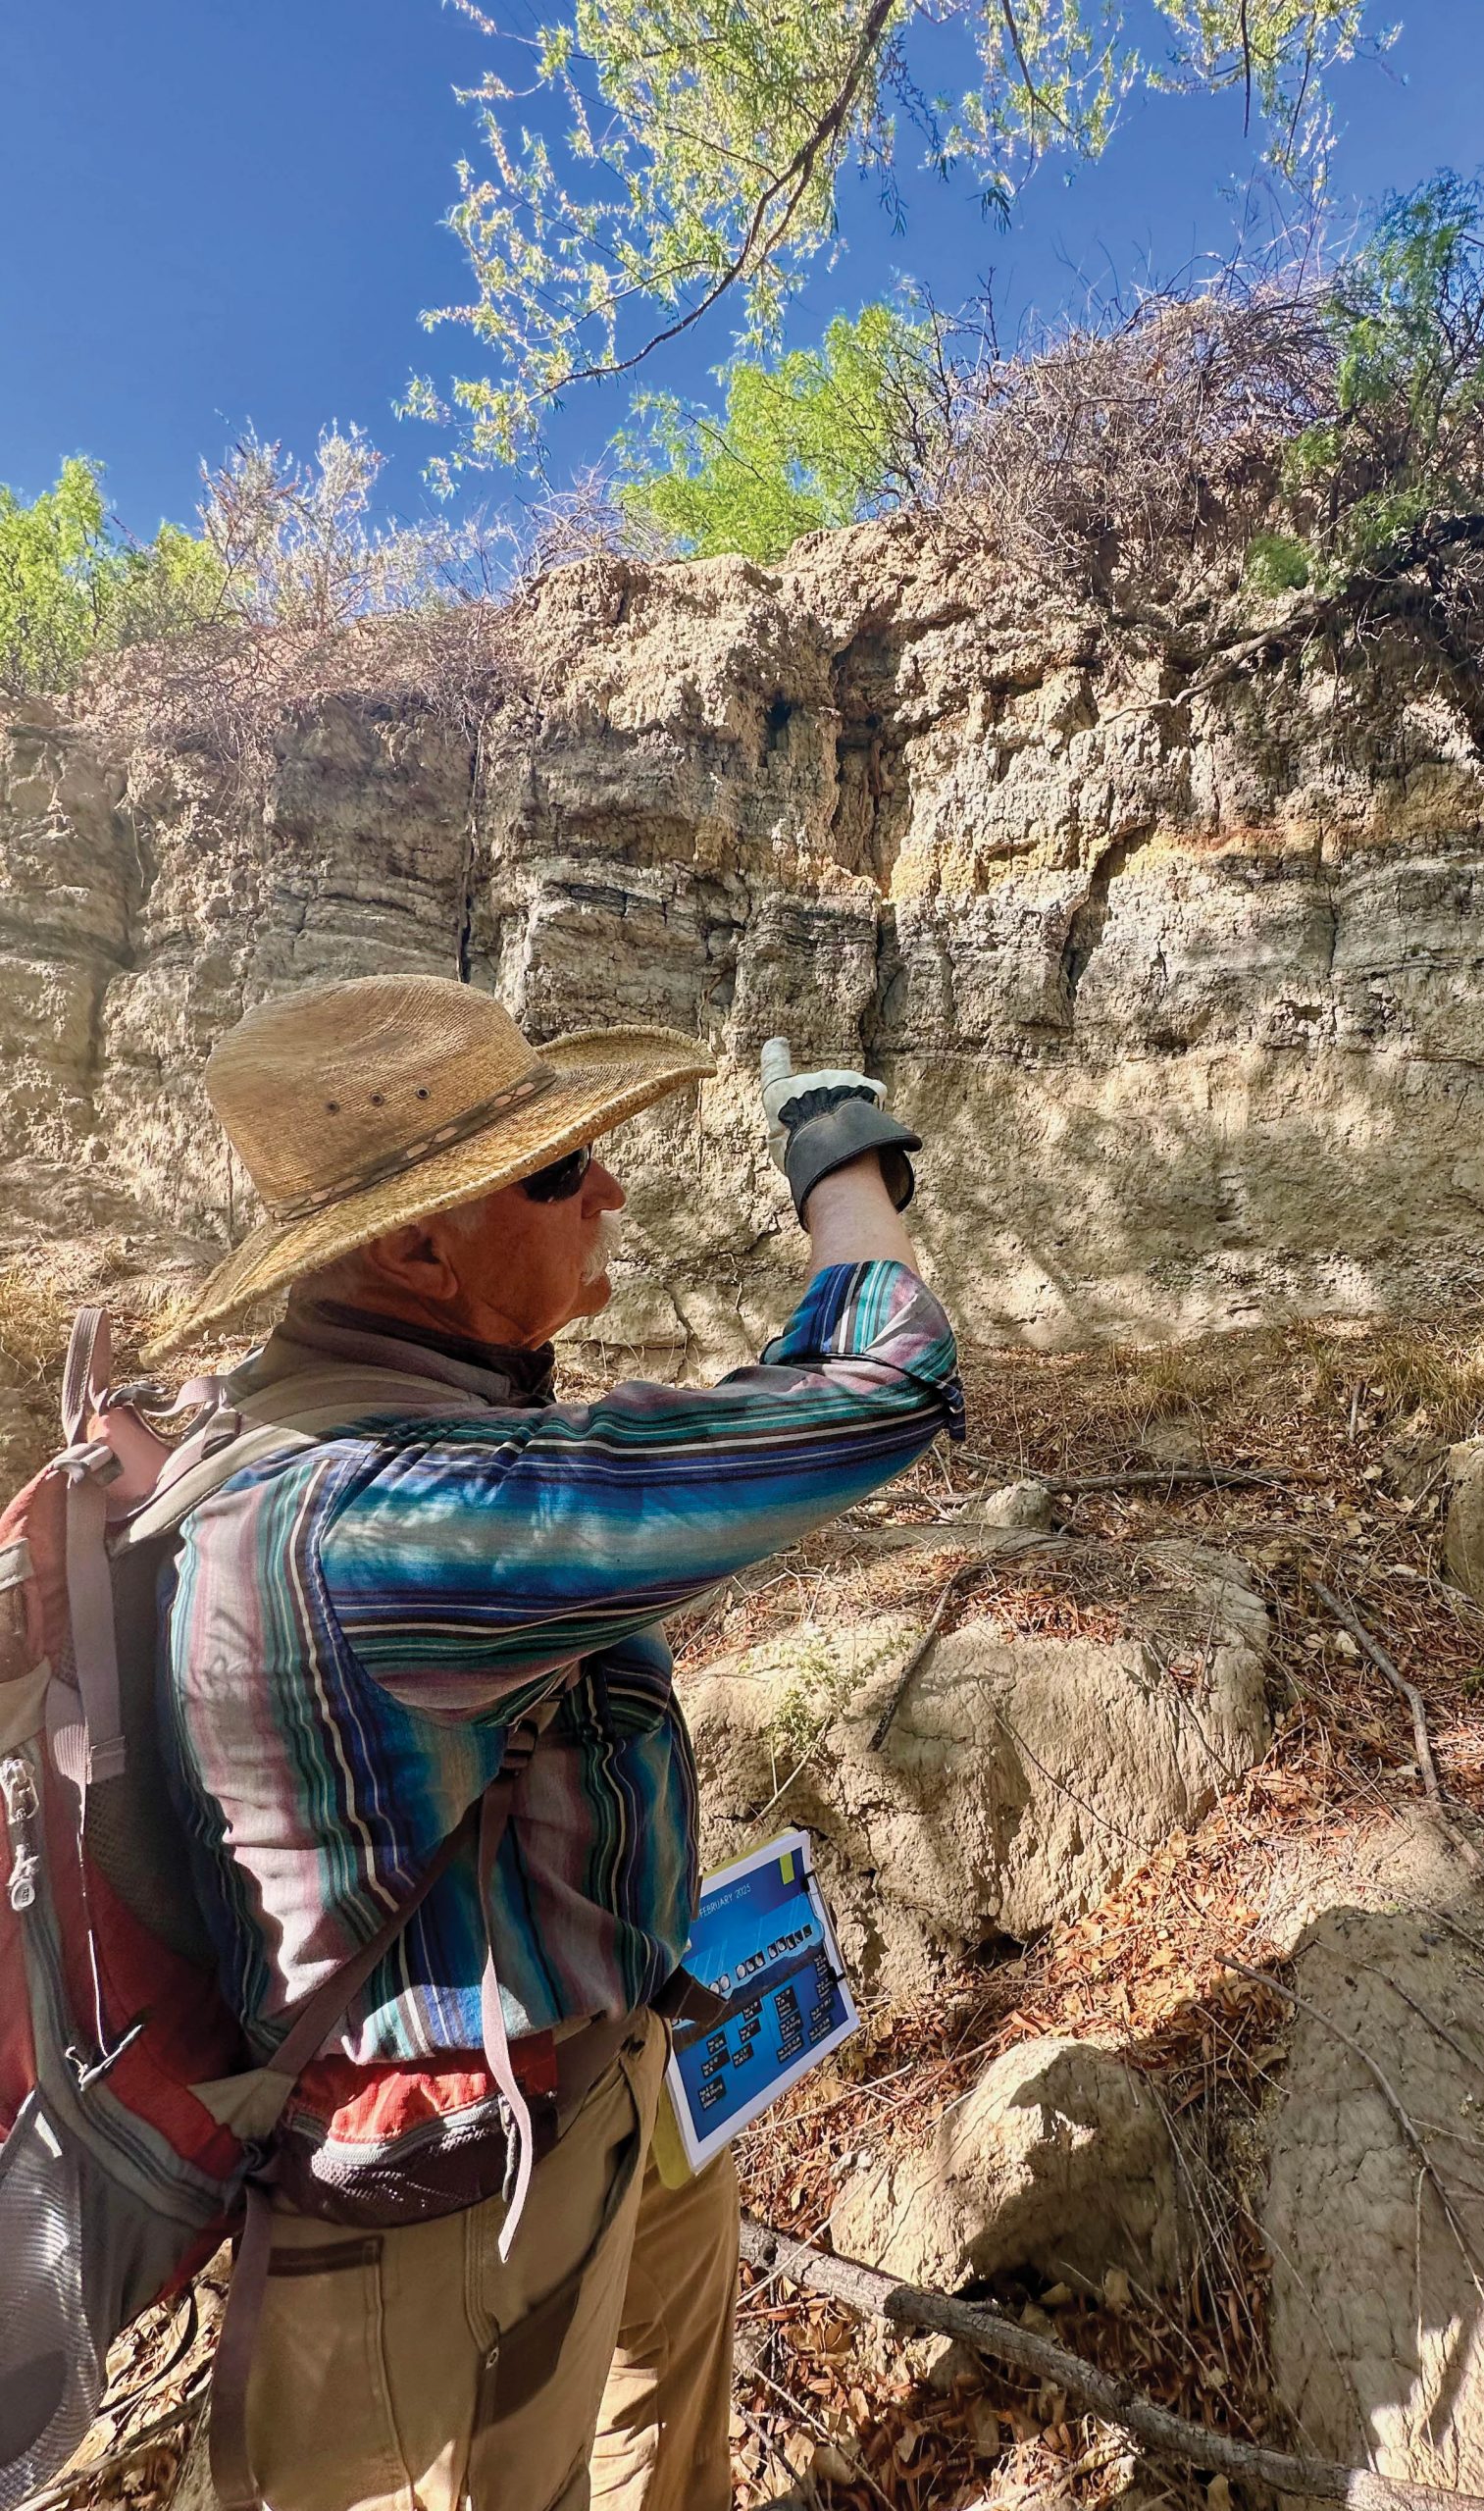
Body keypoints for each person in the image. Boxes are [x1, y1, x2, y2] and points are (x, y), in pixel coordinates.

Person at [152, 973, 960, 2511]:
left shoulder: (333, 1423)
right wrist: (846, 1167)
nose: (611, 1185)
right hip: (450, 2189)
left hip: (593, 2084)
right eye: (554, 1170)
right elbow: (874, 1397)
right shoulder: (393, 1517)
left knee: (661, 2433)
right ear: (414, 1248)